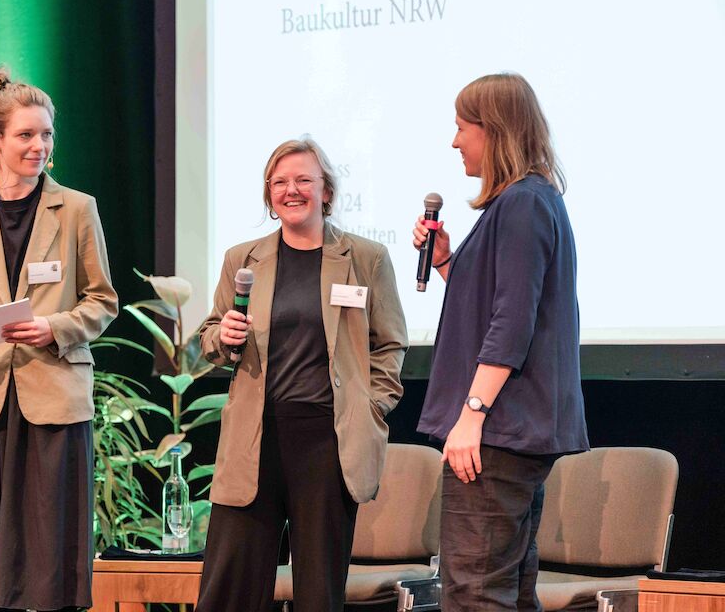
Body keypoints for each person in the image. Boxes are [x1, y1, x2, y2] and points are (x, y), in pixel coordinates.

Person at [0, 67, 118, 611]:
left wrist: (53, 328)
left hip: (52, 398)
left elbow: (103, 301)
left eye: (47, 134)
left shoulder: (77, 208)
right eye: (26, 135)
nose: (40, 146)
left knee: (52, 560)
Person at [196, 137, 408, 612]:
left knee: (318, 593)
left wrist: (369, 406)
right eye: (280, 182)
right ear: (269, 194)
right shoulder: (242, 259)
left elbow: (390, 344)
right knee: (229, 590)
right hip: (255, 437)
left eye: (303, 181)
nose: (291, 190)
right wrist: (222, 336)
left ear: (326, 192)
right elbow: (210, 338)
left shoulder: (365, 258)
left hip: (327, 442)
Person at [412, 73, 589, 611]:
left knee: (474, 592)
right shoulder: (527, 201)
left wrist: (472, 413)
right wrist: (445, 261)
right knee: (506, 590)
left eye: (462, 127)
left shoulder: (522, 203)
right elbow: (495, 304)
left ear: (494, 130)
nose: (455, 140)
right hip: (510, 429)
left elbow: (512, 321)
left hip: (499, 428)